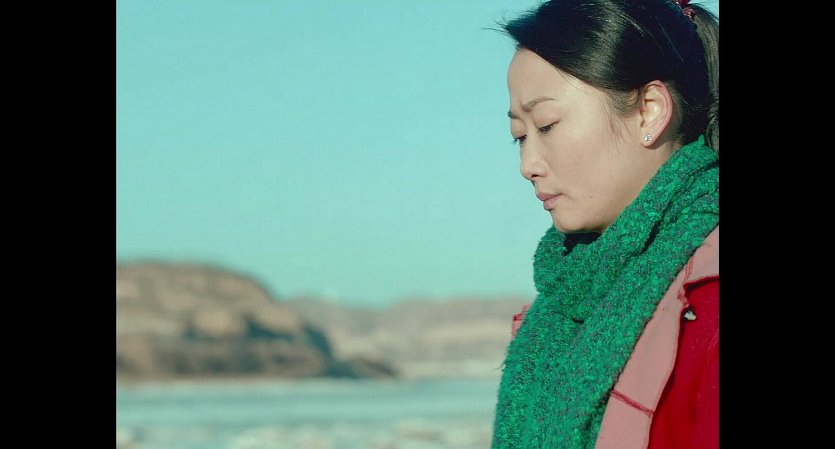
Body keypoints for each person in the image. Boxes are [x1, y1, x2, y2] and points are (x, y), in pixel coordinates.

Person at [490, 1, 719, 448]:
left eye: (546, 125)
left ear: (649, 110)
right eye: (520, 136)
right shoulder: (562, 306)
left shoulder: (706, 302)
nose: (527, 165)